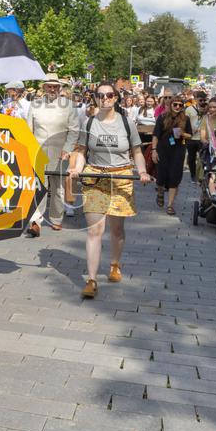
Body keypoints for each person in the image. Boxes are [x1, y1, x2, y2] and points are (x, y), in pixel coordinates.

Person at [69, 81, 151, 296]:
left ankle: (115, 263)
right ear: (95, 98)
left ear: (116, 98)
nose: (105, 99)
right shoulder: (88, 123)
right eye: (100, 95)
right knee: (95, 230)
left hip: (121, 177)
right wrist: (76, 169)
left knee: (116, 229)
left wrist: (142, 171)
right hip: (95, 177)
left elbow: (137, 152)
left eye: (109, 95)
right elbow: (81, 150)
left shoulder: (127, 123)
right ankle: (92, 279)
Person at [26, 73, 80, 236]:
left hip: (60, 152)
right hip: (39, 151)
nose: (52, 89)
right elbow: (29, 130)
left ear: (59, 88)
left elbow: (74, 130)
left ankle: (56, 219)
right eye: (49, 86)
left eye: (55, 86)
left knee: (58, 188)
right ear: (44, 88)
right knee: (39, 187)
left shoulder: (68, 106)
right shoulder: (35, 105)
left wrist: (68, 148)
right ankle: (35, 221)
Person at [151, 96, 192, 215]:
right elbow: (155, 135)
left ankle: (170, 205)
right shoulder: (162, 117)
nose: (178, 107)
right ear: (170, 105)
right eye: (175, 104)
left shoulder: (186, 119)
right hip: (163, 149)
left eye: (180, 105)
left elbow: (190, 135)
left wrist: (183, 133)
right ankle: (160, 192)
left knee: (175, 177)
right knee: (161, 176)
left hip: (178, 150)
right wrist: (154, 150)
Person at [185, 90, 207, 183]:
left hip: (202, 137)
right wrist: (189, 131)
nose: (202, 102)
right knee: (191, 158)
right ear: (196, 99)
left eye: (203, 100)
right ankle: (193, 175)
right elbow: (185, 122)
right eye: (200, 100)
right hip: (191, 137)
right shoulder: (189, 109)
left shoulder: (207, 109)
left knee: (202, 158)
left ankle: (201, 175)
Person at [136, 95, 158, 176]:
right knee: (142, 152)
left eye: (151, 101)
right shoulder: (141, 109)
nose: (149, 103)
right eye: (148, 101)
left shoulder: (155, 109)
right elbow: (137, 119)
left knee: (150, 151)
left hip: (152, 134)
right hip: (141, 133)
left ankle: (151, 169)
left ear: (154, 102)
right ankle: (144, 168)